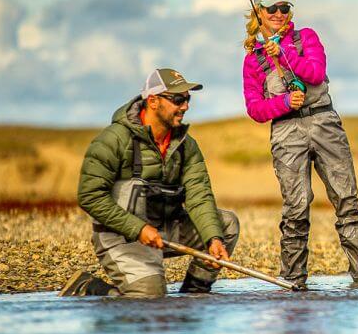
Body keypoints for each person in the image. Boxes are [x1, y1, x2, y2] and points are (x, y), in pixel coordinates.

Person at [61, 68, 240, 297]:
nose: (185, 106)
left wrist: (213, 238)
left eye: (187, 99)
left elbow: (199, 195)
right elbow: (90, 196)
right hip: (122, 236)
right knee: (151, 299)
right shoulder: (112, 140)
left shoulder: (187, 145)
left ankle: (194, 294)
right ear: (153, 101)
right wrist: (137, 229)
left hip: (166, 229)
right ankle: (89, 288)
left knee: (226, 224)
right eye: (178, 99)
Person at [242, 0, 358, 290]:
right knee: (296, 209)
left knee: (347, 203)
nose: (278, 13)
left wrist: (285, 54)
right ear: (259, 12)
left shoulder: (306, 38)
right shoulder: (253, 60)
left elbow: (315, 74)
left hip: (325, 122)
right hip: (286, 131)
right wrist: (285, 103)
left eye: (284, 8)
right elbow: (256, 109)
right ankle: (293, 282)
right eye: (272, 9)